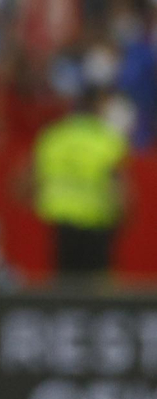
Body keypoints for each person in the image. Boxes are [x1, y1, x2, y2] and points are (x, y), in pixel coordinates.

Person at [31, 78, 130, 282]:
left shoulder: (54, 136)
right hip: (97, 226)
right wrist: (125, 217)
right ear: (97, 105)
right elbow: (120, 189)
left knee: (65, 285)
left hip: (60, 226)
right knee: (97, 286)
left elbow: (26, 183)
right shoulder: (107, 140)